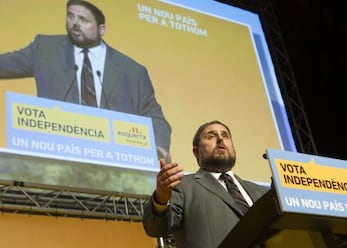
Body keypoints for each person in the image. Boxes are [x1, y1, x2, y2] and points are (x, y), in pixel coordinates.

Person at [0, 0, 171, 159]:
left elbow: (153, 114)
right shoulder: (44, 49)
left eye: (83, 19)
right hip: (56, 156)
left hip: (114, 162)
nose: (74, 23)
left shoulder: (132, 71)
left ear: (101, 29)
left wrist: (158, 148)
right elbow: (5, 65)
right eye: (71, 16)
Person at [143, 120, 269, 248]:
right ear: (196, 152)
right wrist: (161, 199)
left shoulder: (261, 192)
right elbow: (156, 228)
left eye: (225, 136)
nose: (220, 139)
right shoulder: (182, 186)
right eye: (211, 136)